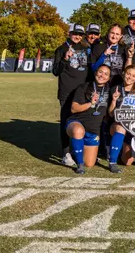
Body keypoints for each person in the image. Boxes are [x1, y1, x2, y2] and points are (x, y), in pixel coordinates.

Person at [52, 24, 89, 167]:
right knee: (66, 122)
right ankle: (66, 153)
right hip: (67, 92)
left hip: (82, 93)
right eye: (75, 33)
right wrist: (65, 59)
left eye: (80, 34)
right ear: (69, 33)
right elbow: (55, 71)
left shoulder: (85, 49)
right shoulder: (61, 49)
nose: (77, 36)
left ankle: (77, 151)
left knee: (82, 122)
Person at [66, 65, 111, 174]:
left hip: (93, 130)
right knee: (78, 131)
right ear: (96, 73)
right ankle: (79, 165)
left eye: (106, 74)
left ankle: (76, 151)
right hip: (77, 122)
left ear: (109, 78)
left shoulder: (110, 90)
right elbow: (73, 108)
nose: (102, 75)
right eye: (100, 72)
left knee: (90, 163)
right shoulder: (84, 87)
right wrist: (90, 103)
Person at [106, 65, 135, 173]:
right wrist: (113, 101)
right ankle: (112, 162)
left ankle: (126, 151)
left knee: (127, 162)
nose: (130, 77)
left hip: (132, 128)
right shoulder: (114, 89)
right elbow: (111, 114)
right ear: (123, 73)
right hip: (117, 125)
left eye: (133, 76)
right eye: (128, 74)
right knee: (121, 128)